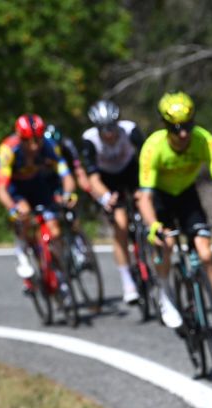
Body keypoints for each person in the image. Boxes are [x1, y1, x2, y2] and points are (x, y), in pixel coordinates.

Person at [138, 91, 212, 346]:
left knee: (205, 254)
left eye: (188, 127)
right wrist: (153, 226)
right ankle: (165, 294)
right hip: (160, 199)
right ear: (166, 126)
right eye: (176, 128)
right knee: (166, 245)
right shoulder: (153, 147)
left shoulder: (204, 140)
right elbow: (144, 198)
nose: (183, 134)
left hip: (186, 196)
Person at [0, 114, 77, 280]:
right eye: (27, 141)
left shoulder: (49, 146)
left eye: (37, 140)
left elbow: (66, 175)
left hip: (37, 184)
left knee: (54, 229)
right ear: (19, 137)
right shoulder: (8, 150)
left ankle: (58, 270)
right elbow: (1, 188)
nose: (33, 146)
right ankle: (22, 252)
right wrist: (12, 208)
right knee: (24, 213)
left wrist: (68, 193)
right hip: (16, 188)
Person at [81, 99, 146, 304]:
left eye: (112, 127)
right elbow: (92, 178)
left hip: (130, 172)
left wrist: (145, 188)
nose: (109, 133)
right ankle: (127, 281)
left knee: (145, 206)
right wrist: (106, 196)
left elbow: (147, 158)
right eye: (104, 129)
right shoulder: (90, 140)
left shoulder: (130, 130)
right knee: (121, 224)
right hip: (107, 179)